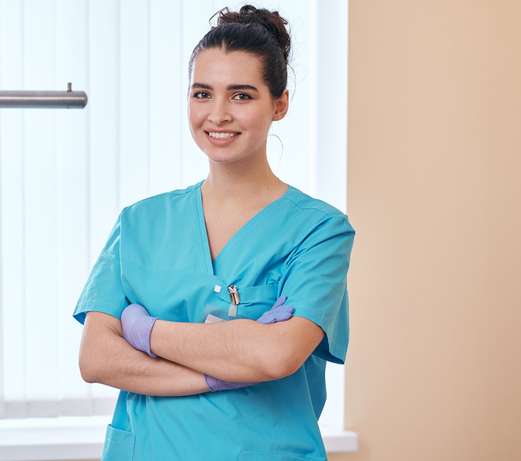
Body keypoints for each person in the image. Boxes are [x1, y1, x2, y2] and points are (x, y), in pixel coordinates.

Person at [73, 5, 354, 460]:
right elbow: (97, 360)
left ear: (279, 103)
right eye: (203, 93)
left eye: (241, 96)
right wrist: (222, 369)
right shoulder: (139, 223)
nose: (217, 114)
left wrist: (144, 332)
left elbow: (274, 357)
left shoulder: (320, 231)